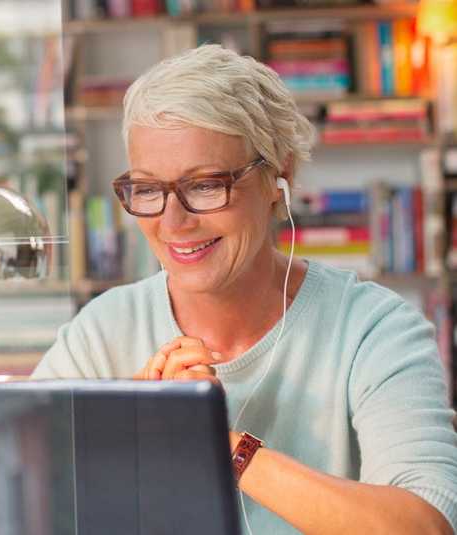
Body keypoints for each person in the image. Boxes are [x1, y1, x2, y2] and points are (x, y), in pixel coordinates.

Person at [32, 44, 457, 534]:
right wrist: (119, 441)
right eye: (148, 189)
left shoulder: (373, 329)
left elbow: (425, 527)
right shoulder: (101, 332)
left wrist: (219, 441)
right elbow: (19, 501)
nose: (173, 222)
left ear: (280, 177)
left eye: (205, 185)